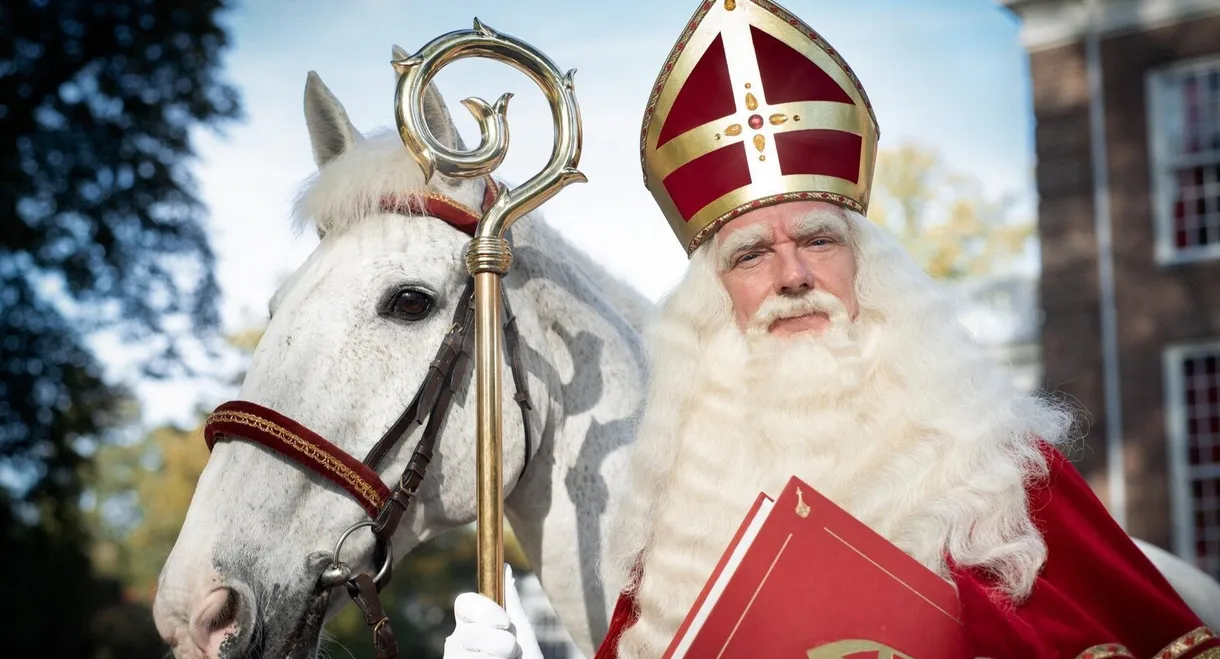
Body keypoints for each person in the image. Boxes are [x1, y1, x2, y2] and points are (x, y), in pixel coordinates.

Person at [443, 0, 1220, 657]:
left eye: (818, 239)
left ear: (869, 273)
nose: (791, 276)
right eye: (751, 254)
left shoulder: (1007, 478)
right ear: (713, 305)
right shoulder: (675, 532)